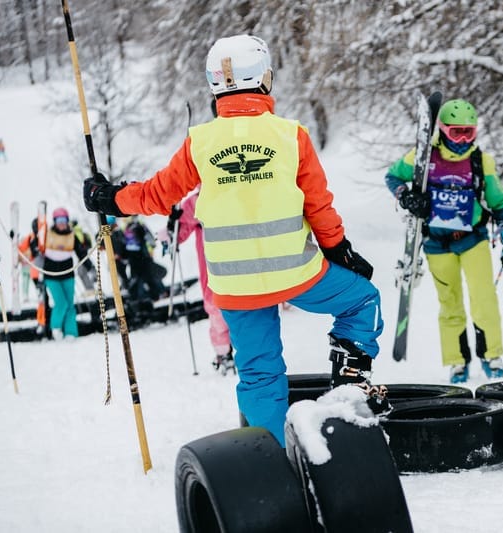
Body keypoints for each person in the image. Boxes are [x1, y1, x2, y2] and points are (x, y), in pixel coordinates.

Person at [83, 34, 386, 445]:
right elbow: (318, 204)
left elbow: (158, 195)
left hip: (233, 286)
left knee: (260, 373)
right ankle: (349, 381)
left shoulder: (201, 142)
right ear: (263, 77)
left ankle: (273, 459)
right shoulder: (290, 136)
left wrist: (109, 198)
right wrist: (338, 249)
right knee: (362, 299)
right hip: (296, 273)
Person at [385, 99, 503, 383]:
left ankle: (491, 354)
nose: (462, 139)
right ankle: (457, 361)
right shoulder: (423, 157)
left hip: (473, 239)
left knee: (484, 298)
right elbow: (393, 176)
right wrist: (406, 196)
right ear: (443, 129)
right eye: (457, 132)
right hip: (436, 242)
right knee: (450, 303)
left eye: (468, 132)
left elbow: (499, 202)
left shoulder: (481, 161)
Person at [161, 194, 235, 374]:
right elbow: (181, 229)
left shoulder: (232, 191)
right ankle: (224, 353)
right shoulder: (198, 200)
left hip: (237, 258)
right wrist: (172, 229)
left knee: (241, 307)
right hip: (211, 265)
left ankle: (244, 351)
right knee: (216, 307)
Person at [43, 207, 90, 339]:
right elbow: (36, 248)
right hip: (51, 276)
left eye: (64, 220)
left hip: (67, 275)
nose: (62, 223)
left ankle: (71, 333)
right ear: (55, 221)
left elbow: (81, 253)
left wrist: (90, 267)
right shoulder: (47, 234)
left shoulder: (72, 235)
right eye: (59, 220)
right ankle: (56, 328)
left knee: (70, 304)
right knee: (61, 303)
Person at [122, 215, 166, 305]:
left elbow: (149, 240)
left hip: (142, 256)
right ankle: (150, 296)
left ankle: (157, 294)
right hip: (137, 257)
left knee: (147, 275)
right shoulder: (128, 228)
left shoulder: (137, 226)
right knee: (142, 277)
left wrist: (149, 250)